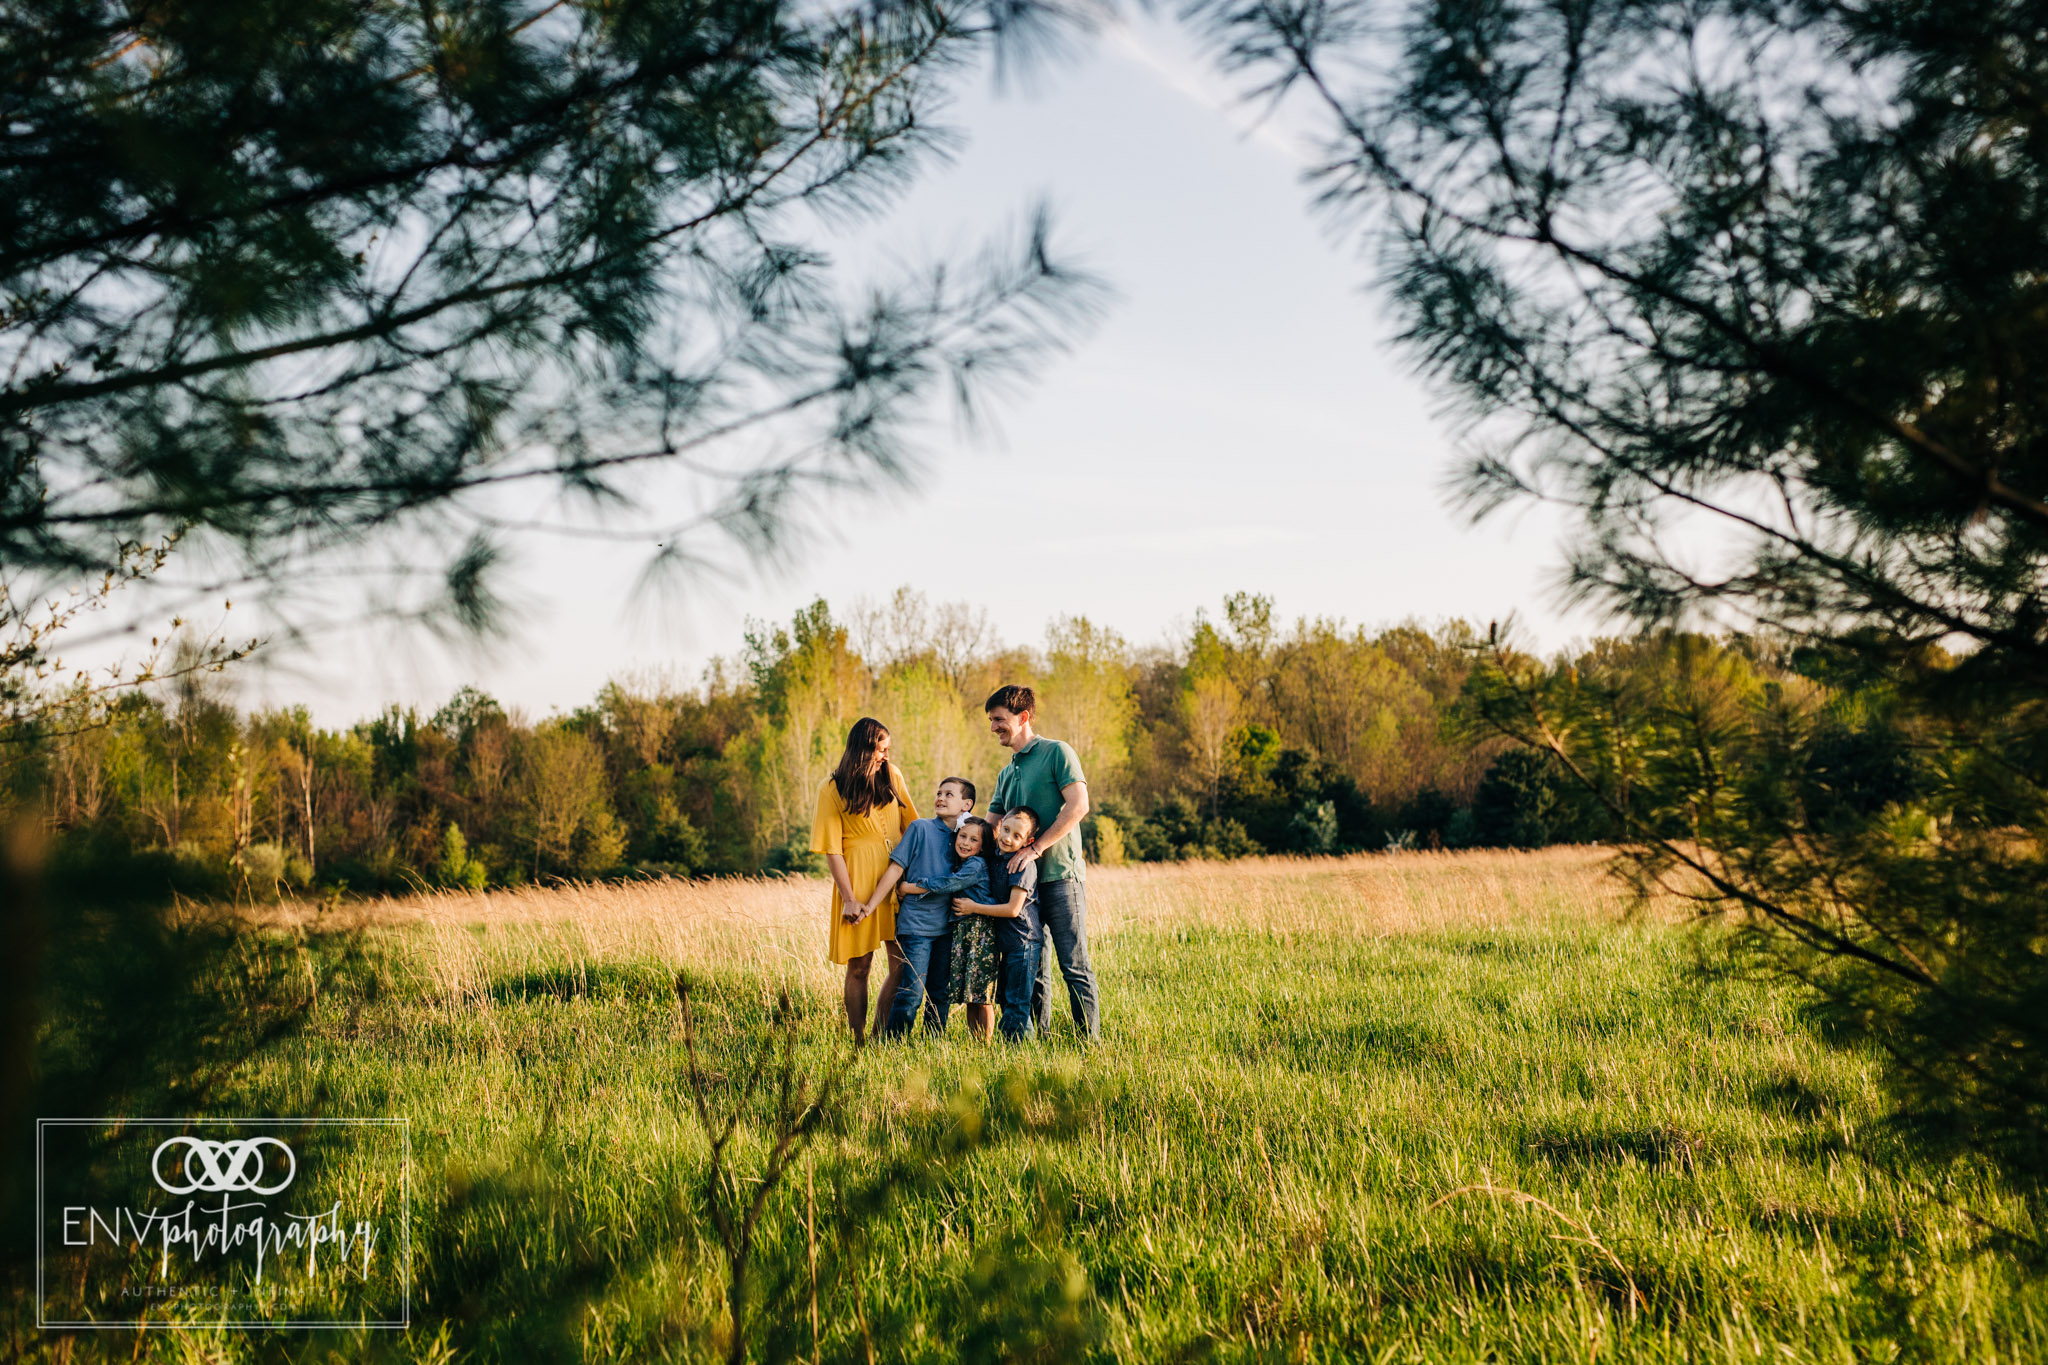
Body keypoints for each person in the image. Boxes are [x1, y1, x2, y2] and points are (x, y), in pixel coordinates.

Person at [984, 684, 1099, 1040]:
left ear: (1023, 717)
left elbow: (1078, 805)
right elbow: (989, 826)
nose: (994, 728)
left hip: (1060, 877)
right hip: (1021, 887)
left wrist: (1035, 849)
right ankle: (1041, 1041)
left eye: (999, 720)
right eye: (991, 721)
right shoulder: (1007, 773)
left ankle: (1089, 1043)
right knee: (1032, 966)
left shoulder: (1056, 753)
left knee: (1074, 965)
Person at [810, 717, 918, 1044]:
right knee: (859, 966)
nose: (885, 755)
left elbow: (912, 826)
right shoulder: (831, 788)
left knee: (901, 963)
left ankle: (878, 1035)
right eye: (880, 750)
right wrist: (849, 898)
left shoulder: (893, 776)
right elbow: (832, 849)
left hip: (896, 877)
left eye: (887, 749)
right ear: (863, 749)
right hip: (856, 879)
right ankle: (858, 1042)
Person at [867, 777, 983, 1038]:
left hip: (947, 927)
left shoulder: (965, 839)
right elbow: (896, 867)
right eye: (939, 792)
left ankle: (933, 1041)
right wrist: (872, 903)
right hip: (916, 926)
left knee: (940, 993)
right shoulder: (920, 828)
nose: (940, 798)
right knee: (912, 991)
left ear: (967, 804)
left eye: (949, 794)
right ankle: (894, 1043)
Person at [953, 808, 1041, 1042]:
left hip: (1023, 941)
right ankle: (1021, 1047)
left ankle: (1017, 1054)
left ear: (1028, 842)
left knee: (1016, 1001)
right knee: (1006, 998)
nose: (1008, 838)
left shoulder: (1023, 865)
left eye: (1017, 836)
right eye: (1006, 830)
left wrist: (973, 907)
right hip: (1005, 942)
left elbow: (1013, 909)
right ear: (999, 825)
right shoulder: (995, 860)